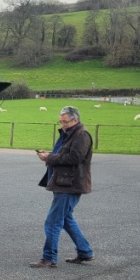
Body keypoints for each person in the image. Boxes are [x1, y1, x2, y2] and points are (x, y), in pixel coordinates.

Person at [31, 106, 94, 268]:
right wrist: (50, 155)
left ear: (75, 120)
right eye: (60, 121)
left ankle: (49, 257)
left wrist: (49, 157)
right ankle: (85, 251)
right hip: (62, 182)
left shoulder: (81, 135)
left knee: (52, 222)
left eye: (65, 122)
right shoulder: (69, 134)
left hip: (70, 185)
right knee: (66, 219)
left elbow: (74, 158)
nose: (62, 125)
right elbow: (63, 154)